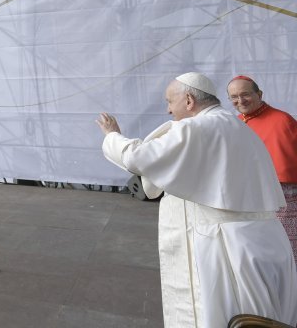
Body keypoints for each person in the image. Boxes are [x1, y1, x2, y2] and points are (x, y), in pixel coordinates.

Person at [97, 72, 297, 327]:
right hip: (258, 241)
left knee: (221, 314)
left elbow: (141, 157)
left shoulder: (199, 127)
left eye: (169, 101)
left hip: (224, 246)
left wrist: (112, 136)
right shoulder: (233, 124)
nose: (169, 111)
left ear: (189, 100)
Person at [227, 74, 297, 263]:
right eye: (234, 97)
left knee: (286, 249)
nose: (240, 101)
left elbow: (286, 167)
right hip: (248, 197)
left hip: (281, 196)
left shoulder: (281, 120)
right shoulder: (236, 121)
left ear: (259, 93)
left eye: (245, 94)